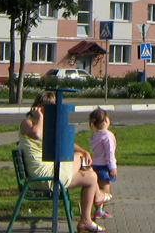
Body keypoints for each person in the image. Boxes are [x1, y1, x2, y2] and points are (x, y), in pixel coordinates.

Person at [19, 91, 109, 232]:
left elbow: (64, 142)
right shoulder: (28, 123)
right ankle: (98, 196)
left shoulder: (47, 126)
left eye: (50, 108)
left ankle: (85, 220)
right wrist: (40, 118)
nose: (45, 111)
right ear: (36, 106)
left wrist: (85, 151)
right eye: (43, 107)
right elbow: (36, 134)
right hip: (41, 176)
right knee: (80, 157)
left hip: (51, 173)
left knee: (91, 177)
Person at [89, 107, 117, 222]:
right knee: (106, 192)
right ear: (106, 120)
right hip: (104, 166)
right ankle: (91, 204)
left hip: (94, 165)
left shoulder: (95, 135)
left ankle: (98, 210)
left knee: (97, 189)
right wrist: (113, 167)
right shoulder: (108, 135)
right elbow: (110, 152)